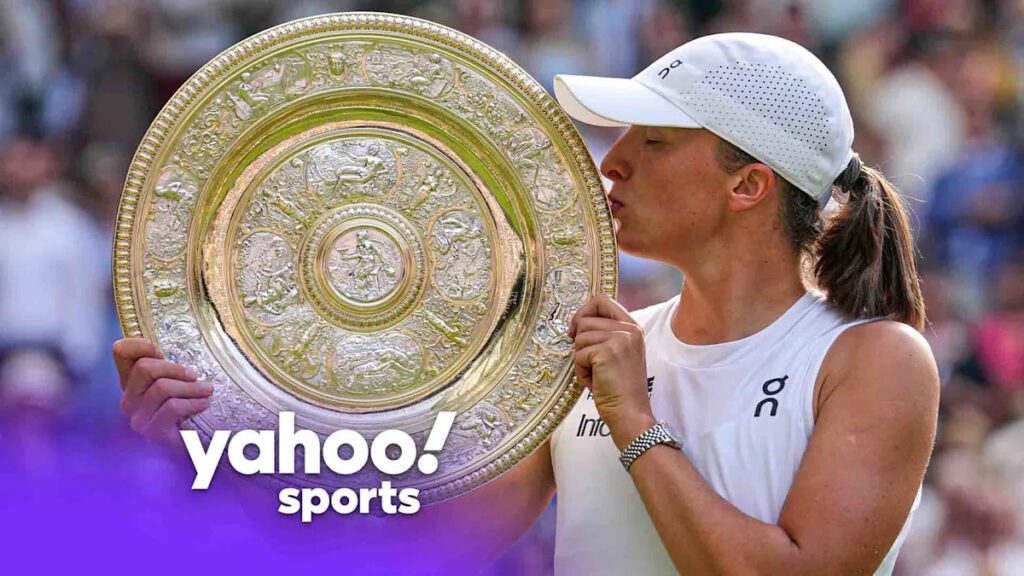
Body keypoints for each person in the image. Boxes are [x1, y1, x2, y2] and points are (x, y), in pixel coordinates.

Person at [114, 33, 939, 575]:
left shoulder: (874, 360)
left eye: (653, 142)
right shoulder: (596, 353)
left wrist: (632, 417)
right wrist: (217, 447)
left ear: (748, 185)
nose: (613, 163)